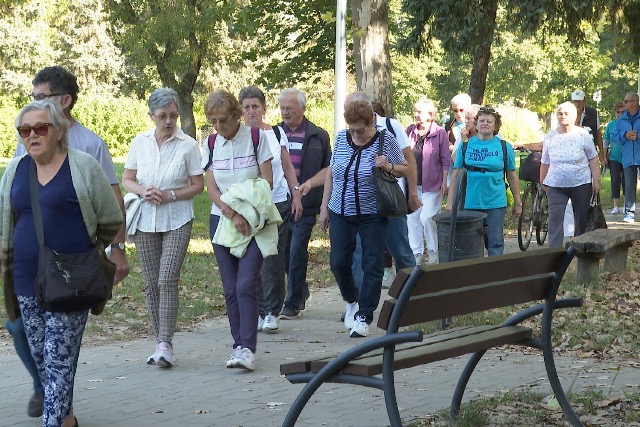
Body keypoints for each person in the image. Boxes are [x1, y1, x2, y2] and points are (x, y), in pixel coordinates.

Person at [8, 65, 129, 419]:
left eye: (40, 128)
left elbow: (110, 217)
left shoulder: (84, 164)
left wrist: (98, 248)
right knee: (45, 362)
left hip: (70, 278)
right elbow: (8, 219)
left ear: (59, 131)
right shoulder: (16, 169)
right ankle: (67, 419)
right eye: (25, 130)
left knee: (59, 363)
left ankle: (54, 420)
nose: (31, 135)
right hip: (26, 278)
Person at [122, 88, 204, 368]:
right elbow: (128, 179)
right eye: (162, 116)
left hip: (177, 218)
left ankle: (166, 342)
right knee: (150, 282)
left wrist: (170, 194)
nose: (169, 121)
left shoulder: (189, 145)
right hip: (146, 219)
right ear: (151, 116)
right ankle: (158, 341)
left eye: (173, 115)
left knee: (167, 278)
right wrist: (144, 191)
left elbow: (198, 185)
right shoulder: (139, 142)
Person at [319, 99, 408, 338]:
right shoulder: (340, 138)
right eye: (352, 129)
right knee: (338, 262)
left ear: (371, 123)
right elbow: (332, 172)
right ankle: (351, 300)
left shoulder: (384, 139)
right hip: (340, 210)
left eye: (360, 129)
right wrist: (324, 207)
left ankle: (364, 316)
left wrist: (387, 165)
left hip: (372, 213)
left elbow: (406, 168)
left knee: (372, 264)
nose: (355, 133)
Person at [203, 89, 276, 371]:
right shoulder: (211, 143)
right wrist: (231, 213)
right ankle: (237, 345)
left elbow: (265, 181)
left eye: (223, 120)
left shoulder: (256, 139)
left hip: (254, 223)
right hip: (222, 220)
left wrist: (244, 213)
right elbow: (211, 187)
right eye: (214, 121)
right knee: (231, 288)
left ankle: (248, 347)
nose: (219, 127)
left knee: (246, 284)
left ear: (236, 116)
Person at [238, 86, 302, 333]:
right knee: (249, 258)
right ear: (240, 111)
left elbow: (287, 168)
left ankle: (272, 311)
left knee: (272, 258)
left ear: (264, 109)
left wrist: (296, 194)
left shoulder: (276, 133)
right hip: (247, 207)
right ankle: (256, 309)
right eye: (246, 107)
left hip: (277, 203)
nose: (251, 111)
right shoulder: (238, 137)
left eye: (256, 106)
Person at [347, 92, 418, 291]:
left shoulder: (390, 126)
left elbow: (408, 162)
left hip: (389, 202)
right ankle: (358, 303)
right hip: (362, 206)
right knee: (360, 253)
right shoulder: (348, 132)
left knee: (401, 250)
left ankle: (410, 296)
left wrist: (412, 194)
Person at [278, 88, 331, 320]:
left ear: (302, 108)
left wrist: (323, 204)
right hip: (280, 203)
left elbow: (328, 169)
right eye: (282, 108)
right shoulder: (273, 134)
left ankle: (292, 302)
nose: (285, 112)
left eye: (289, 108)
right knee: (283, 252)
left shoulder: (319, 135)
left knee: (297, 248)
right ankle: (300, 291)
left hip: (308, 203)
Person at [447, 106, 522, 255]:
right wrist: (450, 202)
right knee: (471, 245)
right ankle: (475, 275)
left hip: (495, 202)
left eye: (489, 121)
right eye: (481, 120)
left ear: (496, 126)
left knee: (495, 243)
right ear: (476, 123)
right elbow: (455, 175)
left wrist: (518, 202)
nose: (485, 123)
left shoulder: (504, 147)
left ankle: (494, 275)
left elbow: (512, 175)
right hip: (470, 203)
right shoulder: (465, 146)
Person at [540, 102, 601, 247]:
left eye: (566, 113)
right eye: (560, 113)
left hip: (581, 183)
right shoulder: (550, 136)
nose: (563, 116)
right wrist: (543, 181)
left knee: (581, 218)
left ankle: (579, 249)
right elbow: (545, 161)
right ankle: (554, 253)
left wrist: (596, 180)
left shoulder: (583, 134)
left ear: (574, 116)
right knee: (555, 218)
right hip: (555, 184)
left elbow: (593, 158)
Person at [405, 98, 450, 264]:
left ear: (430, 115)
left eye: (419, 112)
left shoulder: (440, 133)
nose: (416, 114)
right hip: (412, 184)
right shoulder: (410, 131)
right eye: (415, 111)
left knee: (427, 218)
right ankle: (416, 254)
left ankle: (433, 252)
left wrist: (445, 181)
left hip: (432, 184)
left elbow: (446, 159)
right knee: (412, 219)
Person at [615, 92, 640, 223]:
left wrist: (637, 136)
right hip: (628, 157)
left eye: (626, 101)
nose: (624, 103)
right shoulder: (621, 119)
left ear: (635, 102)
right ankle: (629, 213)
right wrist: (625, 135)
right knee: (629, 186)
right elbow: (615, 136)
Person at [571, 89, 605, 163]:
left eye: (579, 101)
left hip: (589, 151)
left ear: (584, 101)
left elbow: (598, 132)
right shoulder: (567, 114)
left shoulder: (593, 113)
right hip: (572, 150)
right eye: (575, 101)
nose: (577, 104)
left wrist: (601, 151)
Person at [603, 102, 625, 214]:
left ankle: (627, 204)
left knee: (627, 181)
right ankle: (616, 206)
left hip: (628, 157)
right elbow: (605, 141)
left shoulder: (630, 124)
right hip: (614, 157)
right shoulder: (611, 125)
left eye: (623, 112)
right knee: (615, 180)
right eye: (618, 112)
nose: (620, 114)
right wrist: (604, 156)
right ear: (615, 113)